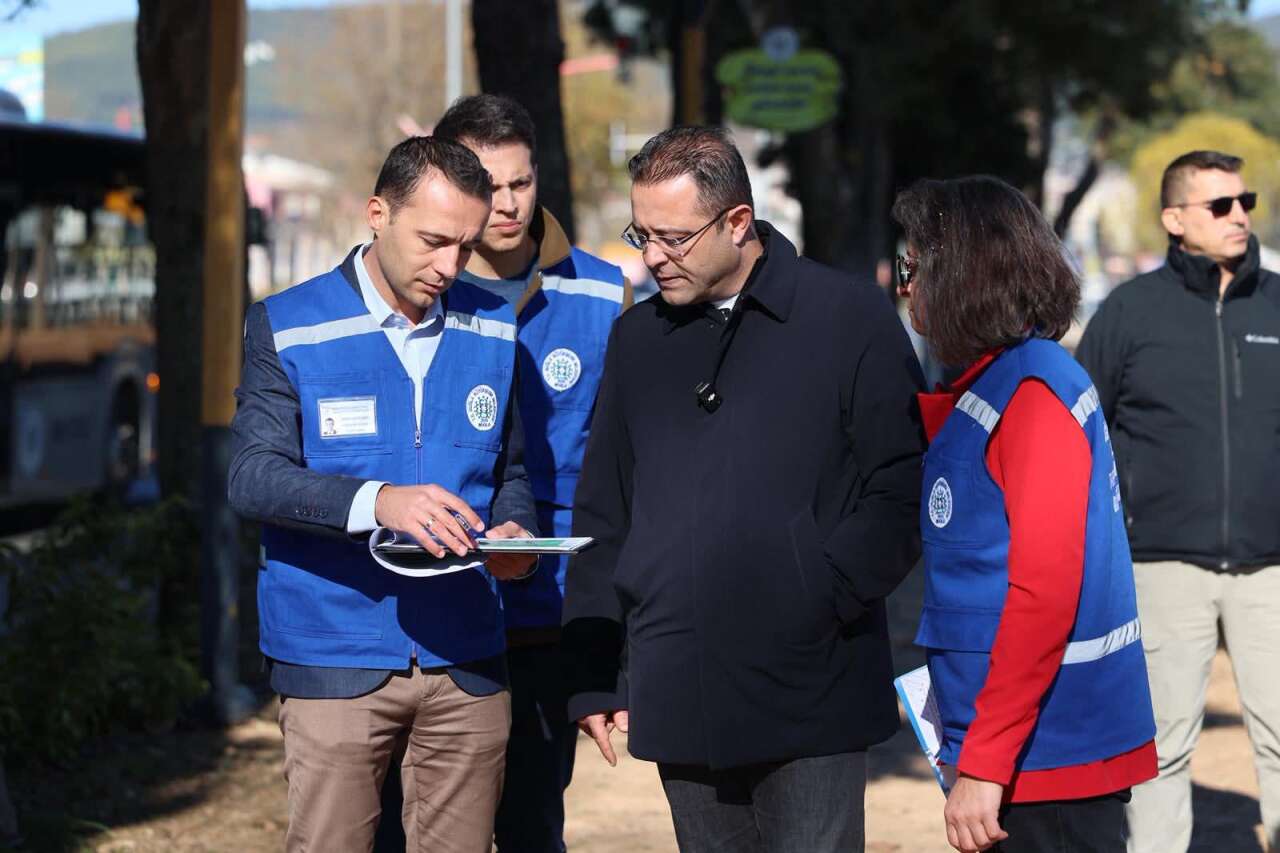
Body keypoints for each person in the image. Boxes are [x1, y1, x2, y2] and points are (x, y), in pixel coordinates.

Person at [561, 126, 925, 852]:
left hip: (813, 686)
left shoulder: (847, 317)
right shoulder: (636, 339)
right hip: (678, 685)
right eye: (642, 234)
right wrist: (594, 671)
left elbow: (905, 483)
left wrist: (820, 592)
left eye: (673, 237)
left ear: (737, 223)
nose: (652, 256)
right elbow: (605, 508)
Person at [228, 136, 539, 853]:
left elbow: (510, 471)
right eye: (433, 241)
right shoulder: (287, 323)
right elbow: (252, 476)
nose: (450, 266)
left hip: (466, 655)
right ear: (377, 212)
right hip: (333, 650)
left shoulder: (495, 322)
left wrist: (515, 529)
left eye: (465, 245)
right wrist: (379, 501)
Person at [894, 175, 1157, 853]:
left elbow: (1042, 591)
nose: (903, 284)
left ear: (964, 276)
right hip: (1020, 747)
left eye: (912, 266)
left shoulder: (1033, 391)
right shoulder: (994, 380)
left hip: (1049, 753)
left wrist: (984, 760)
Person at [433, 94, 631, 853]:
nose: (508, 204)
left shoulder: (600, 291)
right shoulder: (428, 291)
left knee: (532, 818)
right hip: (438, 600)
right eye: (489, 185)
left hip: (549, 608)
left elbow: (617, 457)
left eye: (521, 183)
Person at [1076, 150, 1280, 853]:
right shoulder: (1130, 311)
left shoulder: (1278, 303)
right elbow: (1081, 433)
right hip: (1161, 568)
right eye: (1219, 205)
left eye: (1243, 201)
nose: (1239, 216)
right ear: (1173, 219)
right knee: (1159, 749)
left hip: (1271, 569)